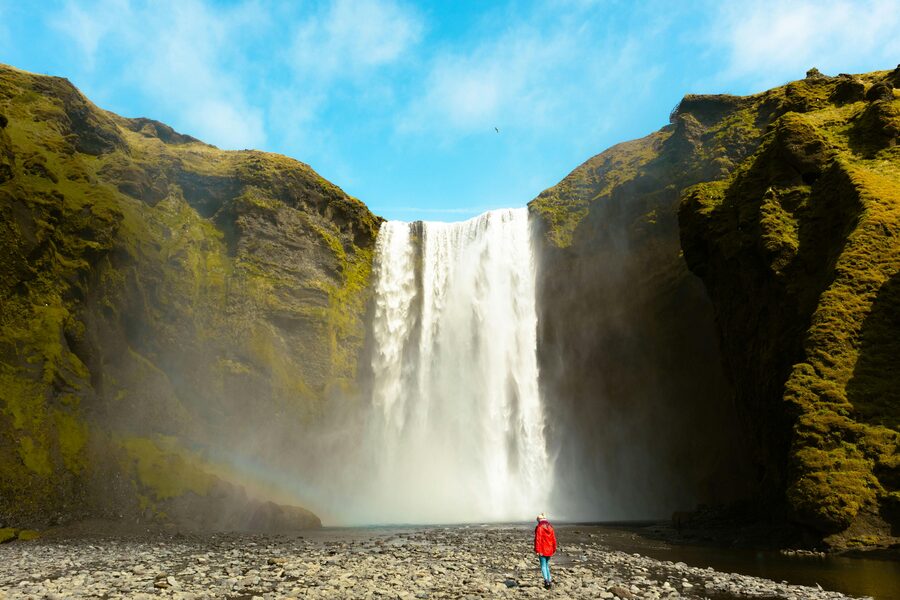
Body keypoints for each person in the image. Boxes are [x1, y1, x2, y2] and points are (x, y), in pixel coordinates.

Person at [533, 513, 557, 589]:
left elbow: (538, 539)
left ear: (539, 520)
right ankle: (549, 580)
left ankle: (546, 581)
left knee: (543, 565)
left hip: (542, 549)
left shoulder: (539, 527)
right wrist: (554, 548)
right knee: (546, 564)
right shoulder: (550, 527)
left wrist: (537, 550)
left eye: (537, 520)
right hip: (549, 549)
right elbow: (553, 539)